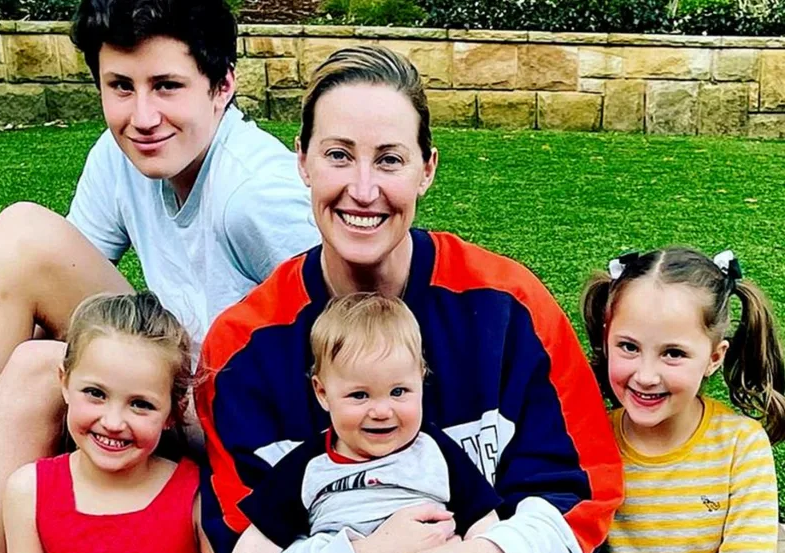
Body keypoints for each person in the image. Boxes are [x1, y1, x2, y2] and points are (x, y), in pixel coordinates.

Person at [0, 0, 318, 549]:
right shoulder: (121, 156)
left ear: (222, 85)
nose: (143, 117)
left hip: (244, 428)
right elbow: (30, 315)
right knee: (35, 356)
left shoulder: (256, 192)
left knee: (27, 244)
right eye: (120, 87)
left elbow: (351, 339)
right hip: (159, 394)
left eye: (166, 86)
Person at [197, 44, 624, 553]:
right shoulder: (242, 351)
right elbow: (239, 537)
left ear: (427, 169)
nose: (363, 189)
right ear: (303, 161)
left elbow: (579, 491)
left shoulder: (509, 307)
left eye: (389, 160)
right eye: (338, 155)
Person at [233, 293, 502, 553]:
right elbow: (255, 543)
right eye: (359, 395)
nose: (382, 411)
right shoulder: (307, 465)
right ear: (322, 393)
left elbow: (484, 522)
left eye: (398, 391)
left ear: (421, 380)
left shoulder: (435, 450)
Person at [581, 248, 783, 553]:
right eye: (629, 347)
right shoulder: (587, 441)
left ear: (714, 357)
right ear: (607, 340)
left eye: (673, 353)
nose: (646, 376)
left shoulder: (740, 446)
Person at [3, 291, 208, 553]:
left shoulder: (198, 497)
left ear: (174, 411)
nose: (113, 422)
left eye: (141, 404)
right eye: (96, 393)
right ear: (65, 383)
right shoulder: (28, 492)